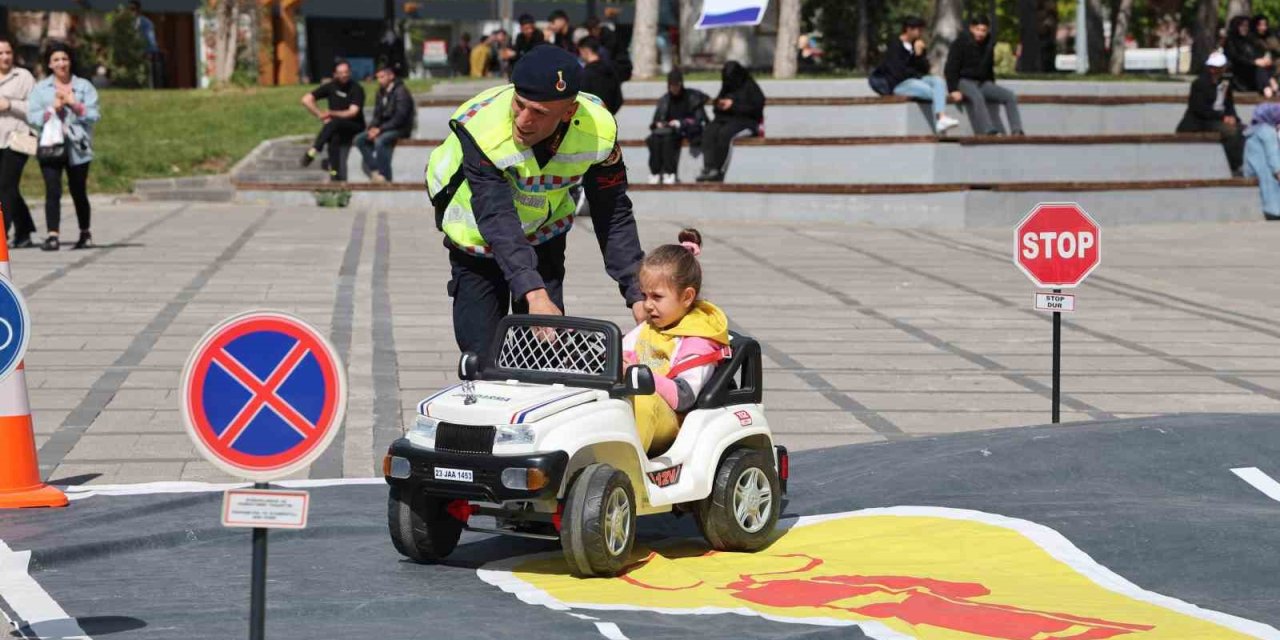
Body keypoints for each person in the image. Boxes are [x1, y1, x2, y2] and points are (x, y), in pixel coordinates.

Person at [424, 45, 646, 358]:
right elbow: (497, 216)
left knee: (544, 354)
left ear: (568, 112)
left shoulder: (599, 131)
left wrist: (638, 293)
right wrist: (533, 292)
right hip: (477, 240)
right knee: (482, 356)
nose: (523, 120)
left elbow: (613, 213)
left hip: (543, 235)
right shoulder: (482, 128)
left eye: (539, 113)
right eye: (520, 104)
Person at [624, 229, 730, 456]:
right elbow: (622, 352)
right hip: (642, 410)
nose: (647, 305)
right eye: (644, 296)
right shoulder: (649, 327)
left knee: (642, 400)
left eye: (657, 297)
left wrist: (635, 373)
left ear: (687, 297)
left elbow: (684, 397)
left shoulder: (698, 340)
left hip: (673, 420)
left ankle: (629, 466)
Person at [29, 43, 99, 251]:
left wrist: (75, 105)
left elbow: (95, 115)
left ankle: (84, 232)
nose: (61, 63)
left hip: (78, 146)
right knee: (52, 190)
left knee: (79, 190)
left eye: (65, 59)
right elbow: (32, 116)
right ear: (50, 64)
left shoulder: (84, 86)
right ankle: (53, 235)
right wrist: (51, 109)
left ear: (70, 62)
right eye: (56, 60)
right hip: (51, 145)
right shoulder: (41, 89)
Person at [875, 16, 961, 134]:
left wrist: (919, 55)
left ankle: (941, 118)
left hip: (916, 80)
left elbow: (925, 69)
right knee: (931, 91)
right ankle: (940, 119)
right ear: (909, 29)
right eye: (918, 30)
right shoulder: (895, 46)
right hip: (899, 85)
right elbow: (898, 72)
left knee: (938, 81)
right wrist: (913, 59)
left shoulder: (917, 45)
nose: (920, 33)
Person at [945, 15, 1023, 136]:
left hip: (982, 82)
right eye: (978, 29)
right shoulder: (960, 43)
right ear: (971, 28)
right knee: (977, 97)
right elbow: (950, 68)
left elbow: (989, 68)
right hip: (964, 81)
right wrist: (953, 89)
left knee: (1010, 96)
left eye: (984, 30)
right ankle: (988, 130)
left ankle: (1017, 130)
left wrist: (992, 85)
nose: (980, 33)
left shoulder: (989, 44)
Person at [1177, 52, 1245, 177]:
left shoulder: (1225, 83)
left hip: (1218, 118)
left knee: (1244, 130)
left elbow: (1229, 105)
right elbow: (1199, 109)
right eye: (1214, 67)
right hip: (1202, 121)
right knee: (1230, 132)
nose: (1216, 70)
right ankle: (1235, 166)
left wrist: (1233, 117)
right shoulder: (1199, 84)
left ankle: (1245, 163)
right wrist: (1222, 117)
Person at [697, 61, 764, 183]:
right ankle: (708, 167)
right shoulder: (726, 86)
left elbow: (756, 108)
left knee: (725, 133)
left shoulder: (750, 87)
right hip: (725, 119)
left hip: (746, 122)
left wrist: (733, 105)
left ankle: (719, 169)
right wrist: (720, 105)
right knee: (709, 131)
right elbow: (716, 106)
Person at [300, 60, 365, 181]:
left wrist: (330, 113)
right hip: (335, 127)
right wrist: (320, 114)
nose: (344, 75)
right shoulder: (331, 86)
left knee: (334, 123)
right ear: (335, 74)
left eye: (346, 72)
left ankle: (314, 149)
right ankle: (335, 173)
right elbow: (306, 100)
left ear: (350, 72)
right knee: (333, 135)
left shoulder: (356, 88)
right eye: (341, 73)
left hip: (355, 126)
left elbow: (353, 112)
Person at [0, 36, 36, 248]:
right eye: (0, 54)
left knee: (6, 185)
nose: (5, 57)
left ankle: (2, 233)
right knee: (7, 188)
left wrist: (9, 104)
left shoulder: (23, 76)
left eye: (8, 53)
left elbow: (35, 108)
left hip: (17, 138)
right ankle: (24, 230)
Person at [646, 69, 708, 185]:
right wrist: (659, 124)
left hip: (685, 130)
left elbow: (700, 120)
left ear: (681, 84)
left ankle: (670, 172)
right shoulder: (665, 99)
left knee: (669, 140)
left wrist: (680, 123)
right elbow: (655, 120)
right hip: (667, 130)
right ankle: (655, 172)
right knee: (653, 139)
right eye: (672, 86)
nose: (674, 88)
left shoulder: (691, 97)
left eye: (677, 85)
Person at [355, 63, 413, 183]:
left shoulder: (401, 92)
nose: (379, 80)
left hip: (400, 128)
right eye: (378, 78)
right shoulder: (380, 92)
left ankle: (385, 175)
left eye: (382, 77)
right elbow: (377, 115)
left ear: (391, 76)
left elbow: (400, 118)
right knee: (359, 139)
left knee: (380, 141)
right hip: (384, 127)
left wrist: (380, 129)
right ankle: (375, 169)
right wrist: (371, 128)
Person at [1243, 102, 1280, 220]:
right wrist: (1278, 171)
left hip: (1250, 168)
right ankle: (1274, 210)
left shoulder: (1254, 129)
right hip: (1262, 169)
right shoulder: (1267, 131)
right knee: (1271, 178)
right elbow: (1272, 155)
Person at [1226, 15, 1276, 96]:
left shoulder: (1251, 40)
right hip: (1241, 75)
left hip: (1256, 73)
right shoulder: (1231, 41)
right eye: (1242, 26)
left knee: (1263, 68)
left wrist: (1264, 60)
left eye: (1246, 26)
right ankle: (1269, 89)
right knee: (1259, 68)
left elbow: (1259, 54)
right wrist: (1254, 62)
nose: (1245, 28)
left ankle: (1271, 87)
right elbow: (1235, 58)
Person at [578, 36, 622, 114]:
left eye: (580, 51)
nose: (580, 55)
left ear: (585, 51)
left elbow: (581, 98)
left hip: (590, 119)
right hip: (608, 119)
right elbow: (619, 99)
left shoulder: (586, 74)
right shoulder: (610, 70)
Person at [129, 1, 163, 89]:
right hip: (132, 53)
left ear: (138, 10)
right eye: (129, 9)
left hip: (145, 52)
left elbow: (150, 37)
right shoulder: (128, 24)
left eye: (133, 9)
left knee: (148, 75)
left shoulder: (145, 23)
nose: (131, 12)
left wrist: (150, 51)